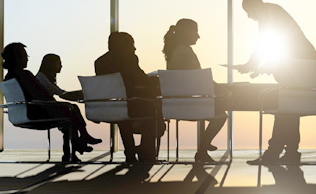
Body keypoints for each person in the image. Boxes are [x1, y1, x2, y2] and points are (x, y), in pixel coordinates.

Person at [232, 0, 316, 165]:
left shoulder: (267, 16)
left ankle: (275, 152)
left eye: (248, 11)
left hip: (298, 67)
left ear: (255, 5)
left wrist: (252, 64)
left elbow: (265, 45)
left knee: (283, 106)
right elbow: (278, 48)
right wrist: (257, 67)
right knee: (289, 108)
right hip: (303, 66)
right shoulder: (273, 12)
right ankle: (290, 152)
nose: (249, 16)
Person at [2, 43, 95, 163]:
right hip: (36, 113)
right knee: (71, 111)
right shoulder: (25, 75)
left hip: (24, 113)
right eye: (25, 56)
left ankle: (74, 149)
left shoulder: (9, 77)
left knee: (69, 115)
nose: (28, 58)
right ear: (18, 57)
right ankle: (79, 142)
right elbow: (41, 95)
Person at [163, 18, 228, 163]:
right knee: (221, 115)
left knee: (218, 108)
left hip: (175, 105)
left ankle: (204, 145)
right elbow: (199, 78)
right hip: (191, 105)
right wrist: (221, 89)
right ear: (187, 33)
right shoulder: (185, 51)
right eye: (196, 31)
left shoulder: (173, 51)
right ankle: (202, 149)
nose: (198, 36)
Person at [94, 32, 163, 163]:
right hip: (133, 105)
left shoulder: (99, 62)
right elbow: (139, 78)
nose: (134, 48)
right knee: (154, 110)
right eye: (132, 45)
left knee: (123, 114)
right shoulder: (129, 58)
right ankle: (145, 151)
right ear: (123, 46)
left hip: (110, 106)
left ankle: (131, 152)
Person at [36, 53, 103, 146]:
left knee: (71, 118)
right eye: (59, 63)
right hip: (45, 110)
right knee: (73, 110)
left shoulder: (45, 78)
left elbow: (61, 93)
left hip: (47, 108)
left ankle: (78, 144)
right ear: (50, 65)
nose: (61, 66)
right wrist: (84, 93)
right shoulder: (42, 79)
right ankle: (83, 137)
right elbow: (62, 94)